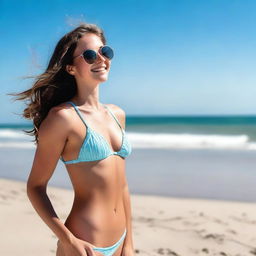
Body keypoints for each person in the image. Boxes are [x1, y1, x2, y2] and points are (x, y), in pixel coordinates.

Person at [11, 23, 134, 256]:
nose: (100, 59)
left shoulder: (117, 114)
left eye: (104, 52)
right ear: (70, 68)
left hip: (121, 241)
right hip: (85, 244)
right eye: (89, 55)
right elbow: (35, 187)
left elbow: (122, 185)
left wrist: (129, 243)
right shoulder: (63, 118)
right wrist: (68, 240)